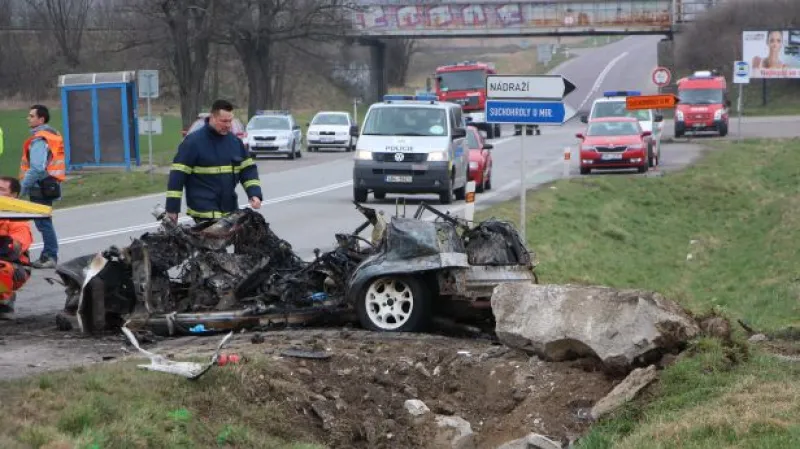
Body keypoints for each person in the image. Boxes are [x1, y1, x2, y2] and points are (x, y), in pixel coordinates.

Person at [165, 99, 262, 223]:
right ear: (212, 118)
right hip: (203, 211)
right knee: (210, 242)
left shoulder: (235, 143)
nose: (228, 125)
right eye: (224, 121)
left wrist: (254, 194)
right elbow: (177, 177)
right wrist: (172, 209)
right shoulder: (193, 143)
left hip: (229, 209)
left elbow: (248, 170)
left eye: (230, 121)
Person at [19, 104, 64, 269]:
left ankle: (49, 256)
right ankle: (49, 255)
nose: (28, 118)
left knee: (43, 223)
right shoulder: (53, 134)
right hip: (50, 184)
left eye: (31, 116)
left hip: (40, 186)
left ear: (41, 119)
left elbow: (37, 168)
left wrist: (22, 188)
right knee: (44, 221)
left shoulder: (40, 139)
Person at [0, 176, 34, 320]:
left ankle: (4, 301)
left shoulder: (18, 219)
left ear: (13, 196)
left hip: (14, 267)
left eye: (1, 190)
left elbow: (13, 250)